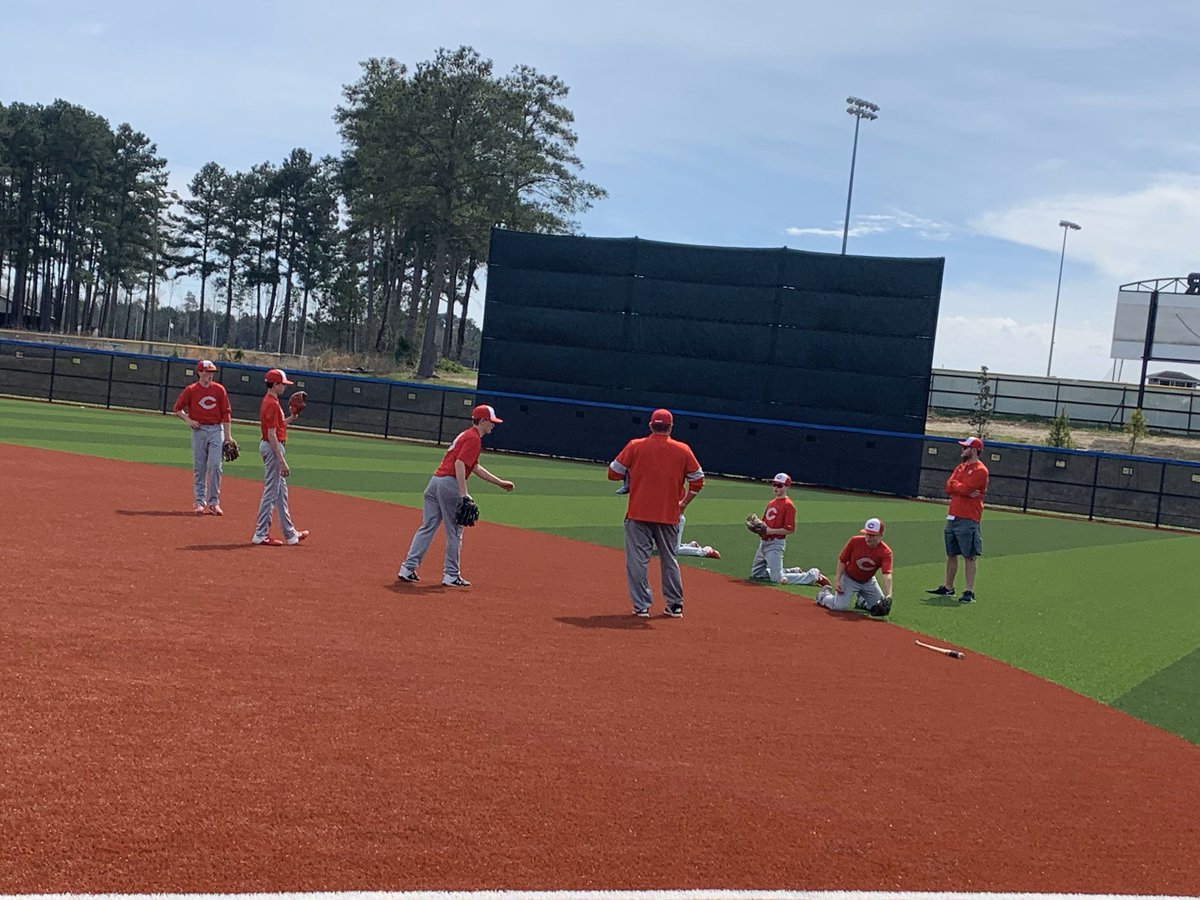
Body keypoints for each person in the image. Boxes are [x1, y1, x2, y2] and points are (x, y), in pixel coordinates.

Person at [397, 404, 515, 586]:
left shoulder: (466, 434)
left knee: (428, 526)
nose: (493, 425)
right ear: (482, 421)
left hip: (435, 482)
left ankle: (407, 568)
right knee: (455, 531)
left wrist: (499, 482)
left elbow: (473, 466)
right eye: (491, 422)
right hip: (449, 483)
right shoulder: (474, 438)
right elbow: (460, 464)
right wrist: (464, 494)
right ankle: (451, 575)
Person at [608, 408, 706, 618]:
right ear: (670, 427)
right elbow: (698, 480)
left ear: (651, 425)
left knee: (637, 560)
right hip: (669, 514)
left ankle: (642, 606)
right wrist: (684, 503)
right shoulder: (683, 449)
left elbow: (613, 473)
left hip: (638, 513)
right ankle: (675, 604)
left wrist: (630, 476)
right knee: (669, 559)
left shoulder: (636, 446)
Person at [927, 436, 989, 603]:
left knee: (969, 555)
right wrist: (960, 488)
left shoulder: (980, 470)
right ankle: (948, 587)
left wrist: (959, 487)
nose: (962, 450)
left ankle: (969, 591)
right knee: (951, 553)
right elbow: (949, 486)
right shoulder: (960, 467)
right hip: (953, 515)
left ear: (974, 450)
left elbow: (968, 488)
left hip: (969, 517)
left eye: (965, 448)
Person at [251, 368, 309, 547]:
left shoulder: (272, 401)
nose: (285, 387)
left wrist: (293, 417)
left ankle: (290, 534)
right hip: (273, 448)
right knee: (271, 491)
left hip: (272, 446)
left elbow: (279, 425)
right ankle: (261, 533)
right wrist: (282, 461)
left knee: (281, 493)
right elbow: (272, 435)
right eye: (282, 384)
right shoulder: (272, 403)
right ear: (274, 385)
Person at [172, 359, 232, 515]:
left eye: (211, 372)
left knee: (216, 466)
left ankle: (214, 502)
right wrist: (188, 420)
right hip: (199, 430)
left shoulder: (219, 390)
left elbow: (226, 413)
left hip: (215, 430)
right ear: (199, 372)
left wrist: (228, 436)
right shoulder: (191, 390)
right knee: (200, 467)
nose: (209, 375)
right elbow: (177, 409)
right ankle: (200, 501)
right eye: (207, 372)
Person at [749, 472, 829, 586]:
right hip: (763, 543)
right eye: (774, 484)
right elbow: (764, 523)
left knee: (776, 579)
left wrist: (770, 531)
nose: (776, 487)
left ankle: (812, 576)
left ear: (787, 487)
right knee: (757, 574)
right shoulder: (771, 503)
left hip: (775, 545)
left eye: (779, 485)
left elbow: (790, 529)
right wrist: (757, 526)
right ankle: (791, 571)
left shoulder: (788, 505)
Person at [815, 517, 893, 617]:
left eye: (873, 535)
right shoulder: (855, 541)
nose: (869, 538)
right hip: (849, 578)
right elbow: (842, 560)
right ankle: (823, 596)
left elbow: (887, 574)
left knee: (880, 608)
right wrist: (838, 580)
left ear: (880, 535)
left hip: (868, 581)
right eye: (867, 534)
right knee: (839, 607)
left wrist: (888, 595)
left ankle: (861, 602)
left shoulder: (885, 552)